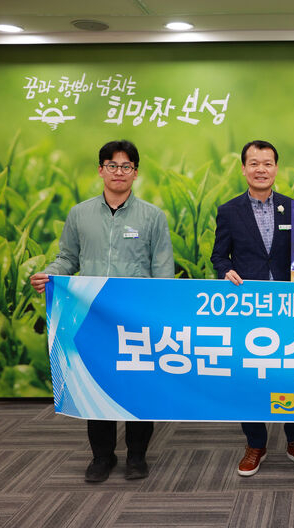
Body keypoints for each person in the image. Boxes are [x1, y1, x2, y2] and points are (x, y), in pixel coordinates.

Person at [30, 140, 174, 483]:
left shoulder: (153, 216)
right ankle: (102, 457)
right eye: (112, 165)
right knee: (94, 384)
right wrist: (50, 274)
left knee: (138, 388)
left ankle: (137, 456)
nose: (118, 172)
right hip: (92, 316)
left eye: (126, 166)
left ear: (135, 173)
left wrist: (159, 312)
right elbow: (68, 258)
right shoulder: (80, 214)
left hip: (136, 318)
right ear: (100, 170)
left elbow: (163, 271)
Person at [210, 140, 294, 477]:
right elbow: (219, 255)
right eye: (254, 163)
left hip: (291, 307)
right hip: (249, 307)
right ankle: (255, 443)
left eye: (267, 163)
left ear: (276, 168)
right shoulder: (229, 211)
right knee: (250, 374)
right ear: (243, 169)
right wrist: (224, 270)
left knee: (293, 372)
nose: (261, 169)